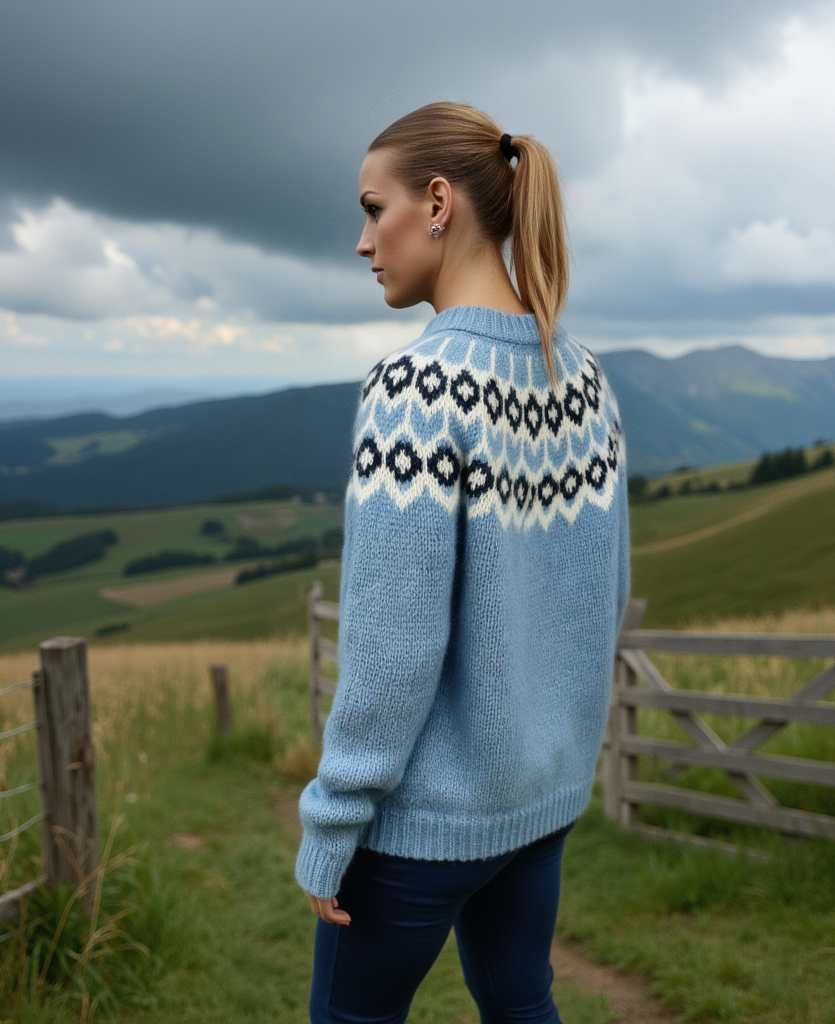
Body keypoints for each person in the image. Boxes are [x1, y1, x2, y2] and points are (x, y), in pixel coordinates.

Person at [296, 102, 630, 1024]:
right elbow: (607, 598)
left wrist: (333, 824)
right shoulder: (586, 380)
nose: (365, 241)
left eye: (374, 208)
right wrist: (557, 759)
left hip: (422, 827)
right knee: (522, 1004)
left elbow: (390, 647)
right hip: (539, 804)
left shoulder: (415, 389)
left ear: (437, 202)